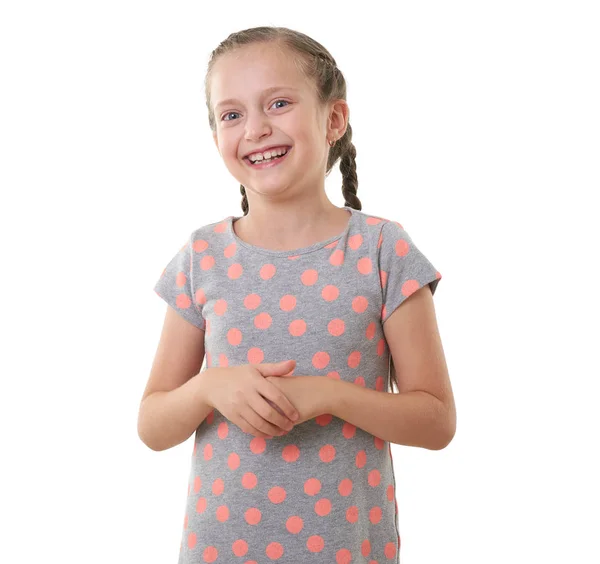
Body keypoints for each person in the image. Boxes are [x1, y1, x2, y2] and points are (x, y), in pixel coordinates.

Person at [138, 25, 456, 564]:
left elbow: (436, 420)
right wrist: (209, 387)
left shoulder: (382, 250)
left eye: (278, 103)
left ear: (333, 118)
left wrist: (330, 395)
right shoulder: (202, 256)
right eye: (232, 114)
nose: (256, 129)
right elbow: (153, 424)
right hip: (218, 552)